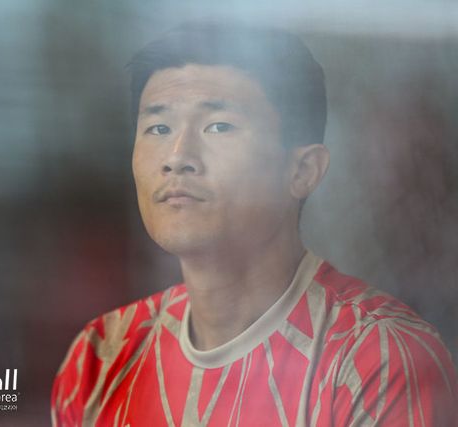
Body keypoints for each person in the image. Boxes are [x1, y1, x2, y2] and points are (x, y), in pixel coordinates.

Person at [51, 22, 458, 426]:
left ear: (303, 170)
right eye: (158, 127)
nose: (177, 156)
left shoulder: (378, 359)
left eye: (219, 126)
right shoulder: (100, 359)